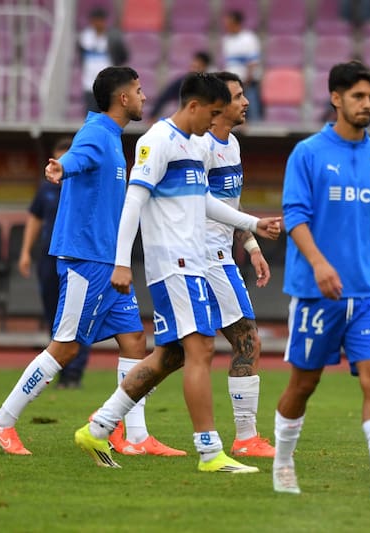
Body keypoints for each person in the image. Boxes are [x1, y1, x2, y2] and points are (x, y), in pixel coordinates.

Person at [73, 72, 282, 473]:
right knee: (201, 349)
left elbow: (203, 200)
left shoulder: (193, 145)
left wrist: (252, 225)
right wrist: (121, 262)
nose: (214, 123)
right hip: (174, 263)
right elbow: (133, 203)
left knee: (171, 356)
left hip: (194, 263)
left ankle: (98, 427)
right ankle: (210, 451)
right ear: (194, 107)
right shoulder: (157, 141)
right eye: (213, 113)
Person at [0, 67, 183, 457]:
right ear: (122, 98)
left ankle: (136, 437)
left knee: (134, 341)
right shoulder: (95, 134)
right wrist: (63, 166)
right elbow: (77, 157)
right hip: (84, 261)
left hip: (107, 264)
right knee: (66, 348)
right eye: (139, 91)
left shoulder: (112, 138)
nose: (144, 97)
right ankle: (2, 421)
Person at [272, 60, 370, 498]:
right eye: (359, 96)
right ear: (336, 98)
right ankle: (283, 463)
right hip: (315, 292)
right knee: (304, 383)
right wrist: (320, 264)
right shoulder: (307, 153)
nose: (367, 104)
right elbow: (295, 216)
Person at [190, 71, 275, 458]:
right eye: (239, 96)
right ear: (218, 105)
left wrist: (252, 246)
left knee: (177, 352)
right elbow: (201, 207)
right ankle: (245, 437)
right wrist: (255, 227)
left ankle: (109, 420)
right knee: (247, 339)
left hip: (222, 254)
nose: (245, 102)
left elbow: (230, 210)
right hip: (207, 258)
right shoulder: (201, 147)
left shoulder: (234, 146)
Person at [18, 136, 92, 389]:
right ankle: (58, 369)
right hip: (48, 257)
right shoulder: (45, 188)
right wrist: (25, 252)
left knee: (77, 315)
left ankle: (74, 373)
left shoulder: (83, 185)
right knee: (54, 314)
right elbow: (34, 219)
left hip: (76, 256)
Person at [78, 7, 128, 113]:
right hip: (89, 83)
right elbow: (81, 56)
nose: (97, 23)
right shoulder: (85, 37)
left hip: (108, 84)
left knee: (107, 115)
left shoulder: (113, 37)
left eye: (100, 20)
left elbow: (123, 56)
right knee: (91, 115)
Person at [147, 51, 212, 121]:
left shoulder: (211, 84)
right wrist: (152, 115)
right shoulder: (182, 81)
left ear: (205, 68)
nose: (193, 70)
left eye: (198, 67)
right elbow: (164, 96)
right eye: (193, 66)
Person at [222, 11, 262, 121]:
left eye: (228, 23)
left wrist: (247, 81)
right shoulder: (227, 40)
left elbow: (253, 62)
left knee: (251, 111)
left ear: (236, 23)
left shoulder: (249, 38)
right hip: (232, 85)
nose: (226, 26)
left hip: (247, 84)